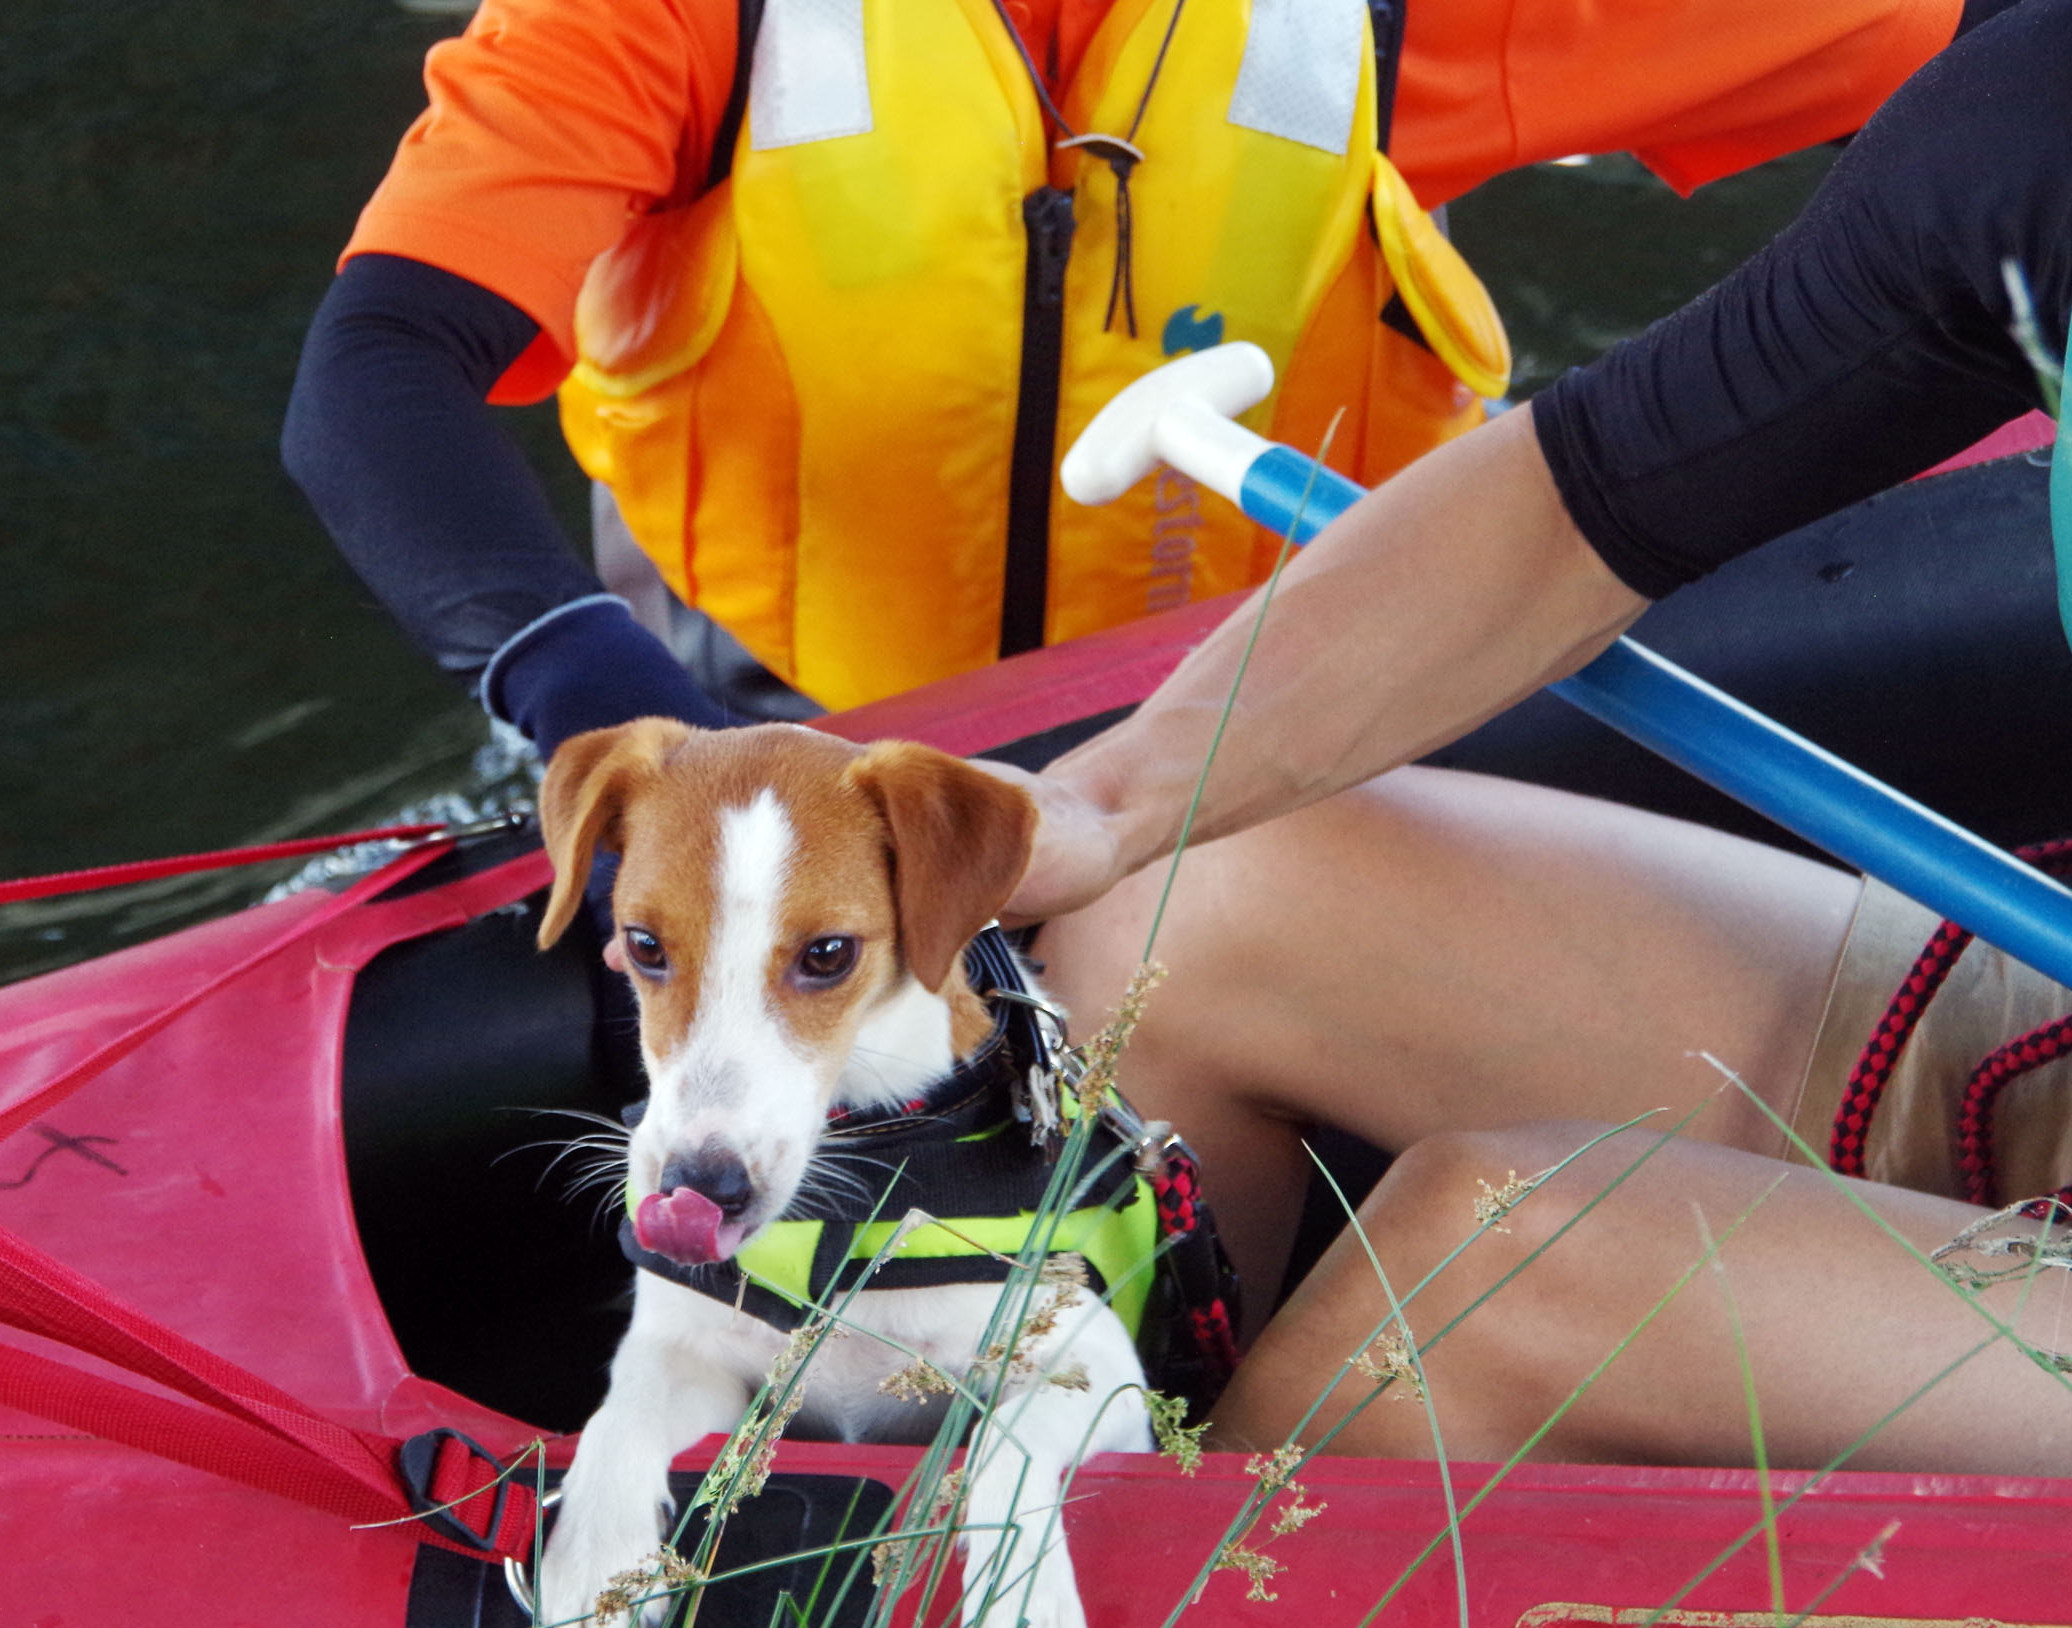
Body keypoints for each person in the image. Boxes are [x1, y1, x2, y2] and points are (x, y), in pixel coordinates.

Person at [998, 0, 2072, 1475]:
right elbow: (1578, 504)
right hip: (2049, 1028)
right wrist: (1100, 809)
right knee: (1174, 894)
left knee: (1500, 1261)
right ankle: (1076, 1516)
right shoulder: (2040, 112)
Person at [282, 0, 1981, 760]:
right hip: (781, 713)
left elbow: (1975, 36)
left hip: (1259, 708)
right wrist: (588, 691)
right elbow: (376, 377)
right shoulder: (653, 15)